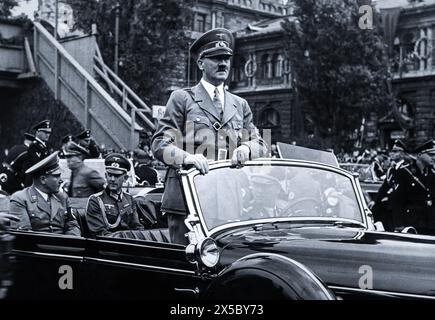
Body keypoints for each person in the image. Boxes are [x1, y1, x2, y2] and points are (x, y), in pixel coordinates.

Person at [152, 28, 267, 244]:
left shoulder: (239, 105)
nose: (223, 63)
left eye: (226, 58)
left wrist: (246, 148)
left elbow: (261, 143)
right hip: (187, 198)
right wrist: (187, 158)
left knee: (222, 264)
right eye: (215, 58)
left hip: (227, 201)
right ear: (201, 63)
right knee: (185, 266)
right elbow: (159, 144)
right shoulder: (182, 99)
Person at [8, 152, 81, 236]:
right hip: (36, 247)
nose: (61, 180)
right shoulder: (20, 199)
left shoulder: (62, 198)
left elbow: (72, 226)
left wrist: (70, 243)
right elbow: (24, 235)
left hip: (64, 246)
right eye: (56, 176)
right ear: (43, 179)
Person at [86, 153, 144, 237]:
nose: (112, 179)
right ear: (106, 176)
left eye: (117, 176)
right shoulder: (96, 200)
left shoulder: (129, 199)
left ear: (125, 178)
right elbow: (99, 233)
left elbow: (137, 227)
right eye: (110, 175)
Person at [388, 140, 435, 235]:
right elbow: (397, 200)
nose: (434, 158)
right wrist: (399, 224)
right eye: (431, 155)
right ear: (419, 155)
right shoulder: (404, 172)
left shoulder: (431, 173)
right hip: (412, 222)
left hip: (430, 222)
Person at [371, 140, 410, 231]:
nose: (392, 153)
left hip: (402, 206)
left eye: (395, 151)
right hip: (392, 204)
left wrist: (388, 197)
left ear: (402, 153)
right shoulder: (392, 170)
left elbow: (402, 190)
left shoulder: (407, 168)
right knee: (375, 209)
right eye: (392, 151)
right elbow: (384, 187)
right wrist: (375, 200)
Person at [23, 120, 52, 187]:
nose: (48, 135)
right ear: (38, 132)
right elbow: (38, 164)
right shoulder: (34, 146)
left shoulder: (46, 146)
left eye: (49, 132)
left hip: (41, 180)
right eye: (45, 132)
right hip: (33, 180)